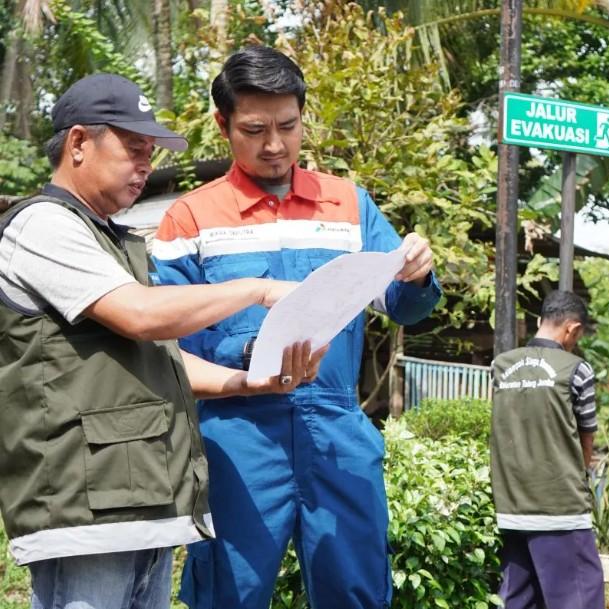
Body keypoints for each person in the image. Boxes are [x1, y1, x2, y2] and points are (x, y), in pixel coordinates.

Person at [0, 73, 328, 609]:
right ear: (79, 143)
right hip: (83, 511)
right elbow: (142, 316)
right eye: (133, 149)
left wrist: (250, 381)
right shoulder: (41, 226)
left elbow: (164, 357)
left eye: (150, 152)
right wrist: (256, 288)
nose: (145, 166)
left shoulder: (114, 241)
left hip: (138, 505)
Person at [151, 46, 441, 609]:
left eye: (288, 125)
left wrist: (416, 274)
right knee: (229, 592)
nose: (275, 145)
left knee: (356, 589)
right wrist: (242, 363)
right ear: (222, 124)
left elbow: (403, 305)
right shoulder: (188, 220)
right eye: (255, 129)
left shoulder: (349, 205)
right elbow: (164, 345)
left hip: (336, 428)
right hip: (237, 434)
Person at [489, 290, 604, 609]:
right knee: (579, 599)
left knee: (518, 600)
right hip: (560, 509)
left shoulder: (500, 366)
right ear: (572, 328)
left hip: (511, 506)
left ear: (540, 321)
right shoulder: (576, 369)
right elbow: (586, 440)